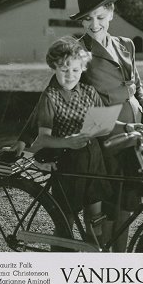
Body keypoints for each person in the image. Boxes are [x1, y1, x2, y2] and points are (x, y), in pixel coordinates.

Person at [12, 0, 143, 252]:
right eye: (88, 19)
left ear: (111, 13)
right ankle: (99, 262)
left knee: (127, 205)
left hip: (135, 134)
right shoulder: (78, 53)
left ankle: (120, 261)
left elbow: (137, 86)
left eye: (100, 17)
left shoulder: (126, 45)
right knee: (107, 210)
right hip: (106, 136)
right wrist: (24, 138)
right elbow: (51, 93)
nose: (94, 24)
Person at [30, 35, 112, 247]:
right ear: (54, 67)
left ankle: (94, 258)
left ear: (82, 69)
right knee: (65, 221)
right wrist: (68, 142)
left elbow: (104, 124)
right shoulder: (50, 97)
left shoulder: (89, 92)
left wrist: (129, 127)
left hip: (94, 160)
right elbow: (43, 139)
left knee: (96, 219)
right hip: (68, 163)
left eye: (75, 70)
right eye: (64, 70)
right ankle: (59, 265)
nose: (70, 76)